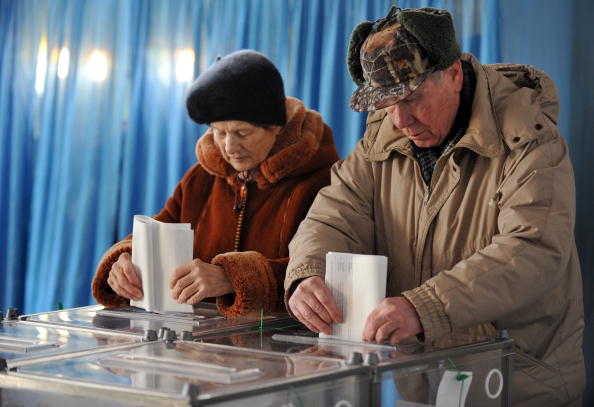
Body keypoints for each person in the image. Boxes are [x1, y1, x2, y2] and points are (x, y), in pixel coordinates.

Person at [284, 7, 584, 406]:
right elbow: (332, 215)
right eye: (388, 104)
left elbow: (533, 251)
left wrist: (425, 307)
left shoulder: (531, 141)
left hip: (519, 383)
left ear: (455, 75)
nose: (401, 119)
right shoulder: (380, 142)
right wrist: (307, 273)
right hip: (423, 383)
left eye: (411, 98)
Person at [92, 50, 339, 318]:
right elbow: (159, 229)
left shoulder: (322, 181)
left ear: (276, 127)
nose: (229, 147)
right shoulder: (201, 178)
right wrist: (125, 261)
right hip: (200, 345)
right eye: (219, 132)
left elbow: (329, 270)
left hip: (282, 347)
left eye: (242, 133)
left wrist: (231, 278)